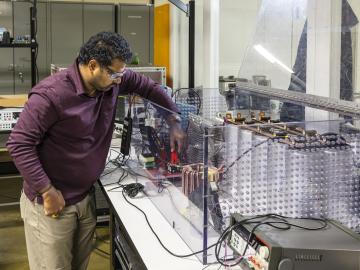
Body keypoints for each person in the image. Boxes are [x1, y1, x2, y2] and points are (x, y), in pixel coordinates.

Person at [6, 31, 185, 270]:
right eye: (114, 73)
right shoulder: (52, 95)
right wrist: (47, 190)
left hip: (84, 198)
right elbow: (18, 144)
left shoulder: (110, 81)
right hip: (51, 205)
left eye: (122, 73)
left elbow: (149, 87)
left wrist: (173, 120)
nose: (120, 80)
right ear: (92, 66)